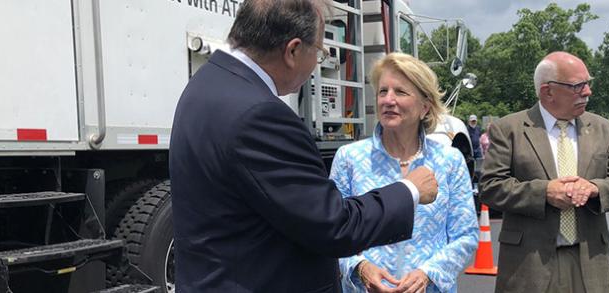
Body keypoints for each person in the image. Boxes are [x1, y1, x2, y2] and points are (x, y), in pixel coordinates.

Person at [169, 1, 438, 292]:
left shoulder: (207, 83)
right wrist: (409, 190)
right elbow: (334, 224)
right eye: (320, 51)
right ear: (293, 50)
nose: (317, 64)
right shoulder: (259, 114)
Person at [479, 51, 609, 293]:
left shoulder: (604, 129)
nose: (587, 92)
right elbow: (490, 187)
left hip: (588, 263)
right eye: (577, 86)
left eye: (588, 83)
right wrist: (544, 192)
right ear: (547, 91)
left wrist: (594, 189)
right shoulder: (508, 129)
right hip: (529, 263)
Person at [330, 53, 478, 293]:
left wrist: (427, 274)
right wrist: (360, 268)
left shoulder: (449, 161)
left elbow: (466, 235)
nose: (388, 100)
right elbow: (332, 233)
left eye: (400, 92)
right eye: (382, 91)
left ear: (425, 107)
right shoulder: (350, 159)